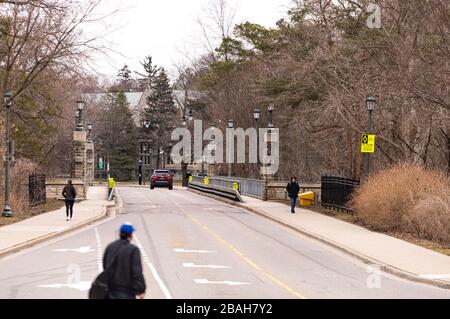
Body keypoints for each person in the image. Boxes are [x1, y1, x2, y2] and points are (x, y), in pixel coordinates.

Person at [103, 223, 146, 299]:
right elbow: (137, 272)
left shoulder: (110, 247)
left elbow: (105, 266)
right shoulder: (133, 250)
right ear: (130, 235)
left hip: (111, 291)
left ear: (120, 234)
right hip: (127, 292)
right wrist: (141, 289)